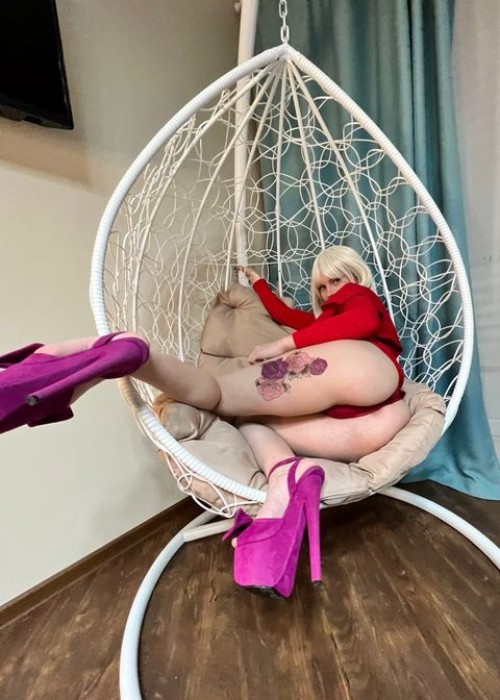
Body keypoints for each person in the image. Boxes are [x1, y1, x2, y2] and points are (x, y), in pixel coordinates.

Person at [0, 246, 410, 599]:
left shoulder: (358, 299)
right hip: (370, 419)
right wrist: (258, 283)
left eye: (335, 280)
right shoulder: (325, 319)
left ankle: (132, 355)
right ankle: (285, 477)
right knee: (248, 419)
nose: (328, 292)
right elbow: (285, 313)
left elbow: (358, 323)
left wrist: (282, 344)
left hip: (362, 369)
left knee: (217, 393)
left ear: (355, 276)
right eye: (320, 287)